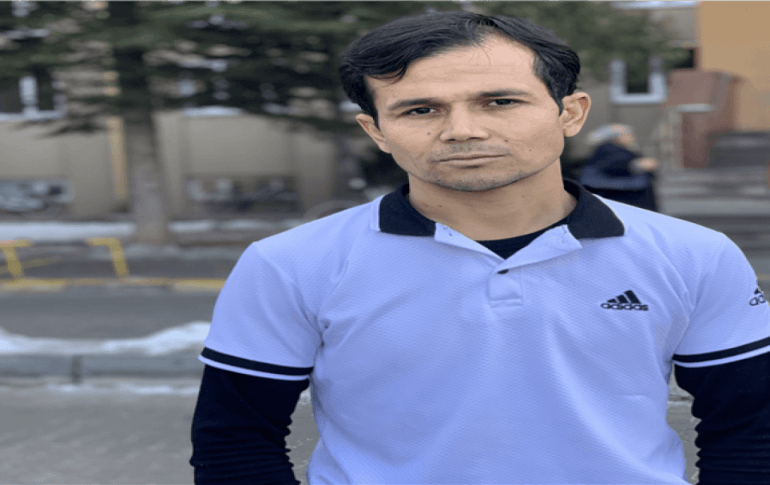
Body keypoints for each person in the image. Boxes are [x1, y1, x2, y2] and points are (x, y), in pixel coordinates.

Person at [190, 9, 770, 485]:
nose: (462, 130)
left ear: (570, 113)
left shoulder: (694, 255)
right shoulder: (289, 263)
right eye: (421, 109)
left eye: (500, 102)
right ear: (376, 131)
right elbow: (235, 442)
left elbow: (750, 430)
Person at [578, 123, 661, 211]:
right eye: (627, 135)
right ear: (617, 138)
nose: (632, 137)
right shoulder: (611, 151)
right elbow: (612, 166)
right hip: (627, 199)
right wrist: (638, 165)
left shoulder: (609, 151)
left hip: (623, 199)